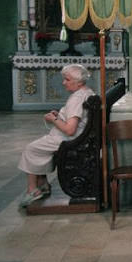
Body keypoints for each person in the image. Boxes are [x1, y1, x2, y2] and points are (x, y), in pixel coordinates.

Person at [18, 64, 95, 207]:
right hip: (79, 136)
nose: (63, 83)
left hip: (70, 139)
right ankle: (43, 184)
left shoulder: (76, 99)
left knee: (31, 149)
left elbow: (70, 130)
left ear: (78, 82)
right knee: (39, 148)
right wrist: (60, 116)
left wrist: (53, 120)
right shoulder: (87, 92)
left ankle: (33, 190)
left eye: (66, 79)